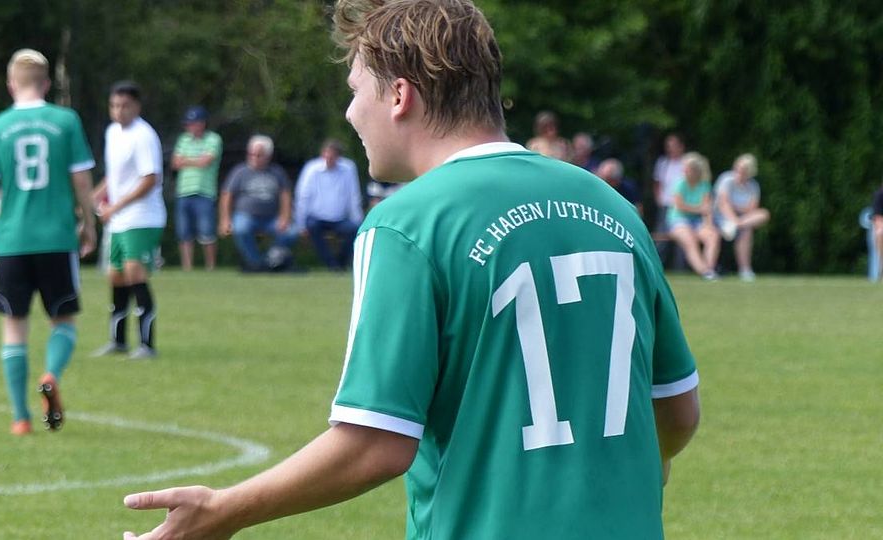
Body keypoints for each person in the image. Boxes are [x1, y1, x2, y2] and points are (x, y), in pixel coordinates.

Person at [122, 1, 700, 538]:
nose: (351, 113)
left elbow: (375, 443)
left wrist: (224, 510)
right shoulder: (613, 209)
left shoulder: (406, 225)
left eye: (356, 90)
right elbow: (677, 411)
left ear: (399, 95)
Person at [0, 49, 96, 435]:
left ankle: (20, 418)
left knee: (14, 326)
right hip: (57, 238)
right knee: (63, 320)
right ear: (46, 83)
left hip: (11, 240)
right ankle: (51, 374)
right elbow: (81, 179)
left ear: (11, 84)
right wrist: (89, 223)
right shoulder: (66, 121)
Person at [91, 81, 165, 360]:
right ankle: (118, 341)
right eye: (114, 105)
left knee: (135, 271)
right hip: (119, 218)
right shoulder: (113, 132)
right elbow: (115, 176)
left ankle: (147, 344)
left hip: (143, 216)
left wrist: (116, 205)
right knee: (116, 274)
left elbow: (149, 179)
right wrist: (93, 197)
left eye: (125, 106)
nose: (119, 111)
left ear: (137, 107)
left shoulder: (143, 135)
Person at [218, 134, 296, 271]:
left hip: (271, 218)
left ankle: (270, 260)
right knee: (241, 229)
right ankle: (256, 263)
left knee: (291, 232)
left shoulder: (277, 172)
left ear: (268, 156)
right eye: (252, 154)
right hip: (246, 216)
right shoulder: (239, 172)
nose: (254, 157)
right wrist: (225, 220)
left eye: (259, 155)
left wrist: (285, 217)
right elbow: (227, 195)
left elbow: (285, 195)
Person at [294, 139, 363, 270]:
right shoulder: (312, 169)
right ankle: (331, 264)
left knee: (353, 229)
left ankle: (341, 262)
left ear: (339, 157)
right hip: (316, 218)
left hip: (339, 219)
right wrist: (300, 224)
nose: (329, 159)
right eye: (327, 154)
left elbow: (353, 195)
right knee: (312, 227)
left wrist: (358, 220)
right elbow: (303, 196)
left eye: (333, 156)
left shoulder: (348, 168)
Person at [171, 106, 222, 271]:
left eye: (192, 123)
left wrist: (186, 160)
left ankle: (210, 267)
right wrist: (195, 160)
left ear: (202, 123)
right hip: (183, 191)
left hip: (204, 192)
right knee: (184, 233)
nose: (189, 127)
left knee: (207, 232)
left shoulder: (213, 139)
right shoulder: (183, 139)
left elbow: (205, 162)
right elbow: (175, 163)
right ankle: (187, 267)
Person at [714, 153, 770, 281]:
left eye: (743, 170)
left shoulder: (753, 186)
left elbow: (752, 209)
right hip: (722, 217)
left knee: (763, 214)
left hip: (742, 220)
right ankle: (745, 269)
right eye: (738, 168)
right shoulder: (726, 179)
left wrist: (737, 221)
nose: (739, 172)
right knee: (747, 230)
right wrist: (734, 216)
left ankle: (745, 270)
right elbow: (723, 204)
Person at [668, 152, 720, 280]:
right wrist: (699, 209)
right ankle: (704, 272)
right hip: (678, 219)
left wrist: (709, 225)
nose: (684, 171)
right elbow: (679, 206)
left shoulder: (704, 185)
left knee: (713, 236)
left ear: (695, 171)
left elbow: (707, 210)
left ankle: (709, 269)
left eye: (687, 168)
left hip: (697, 221)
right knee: (690, 240)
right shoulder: (680, 183)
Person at [653, 132, 686, 232]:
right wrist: (658, 199)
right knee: (662, 232)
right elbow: (657, 183)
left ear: (681, 147)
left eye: (674, 146)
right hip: (665, 204)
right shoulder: (662, 162)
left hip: (682, 205)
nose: (670, 149)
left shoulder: (686, 162)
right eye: (668, 146)